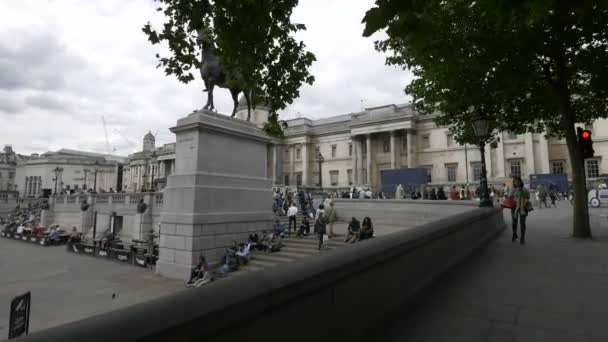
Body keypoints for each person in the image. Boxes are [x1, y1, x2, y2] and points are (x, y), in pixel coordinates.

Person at [508, 176, 531, 244]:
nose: (516, 183)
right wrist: (514, 192)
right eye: (515, 182)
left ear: (520, 182)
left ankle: (522, 237)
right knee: (514, 222)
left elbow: (528, 197)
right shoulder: (512, 189)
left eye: (518, 181)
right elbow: (509, 197)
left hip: (523, 207)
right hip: (514, 207)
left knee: (522, 223)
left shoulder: (524, 189)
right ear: (514, 183)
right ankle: (514, 234)